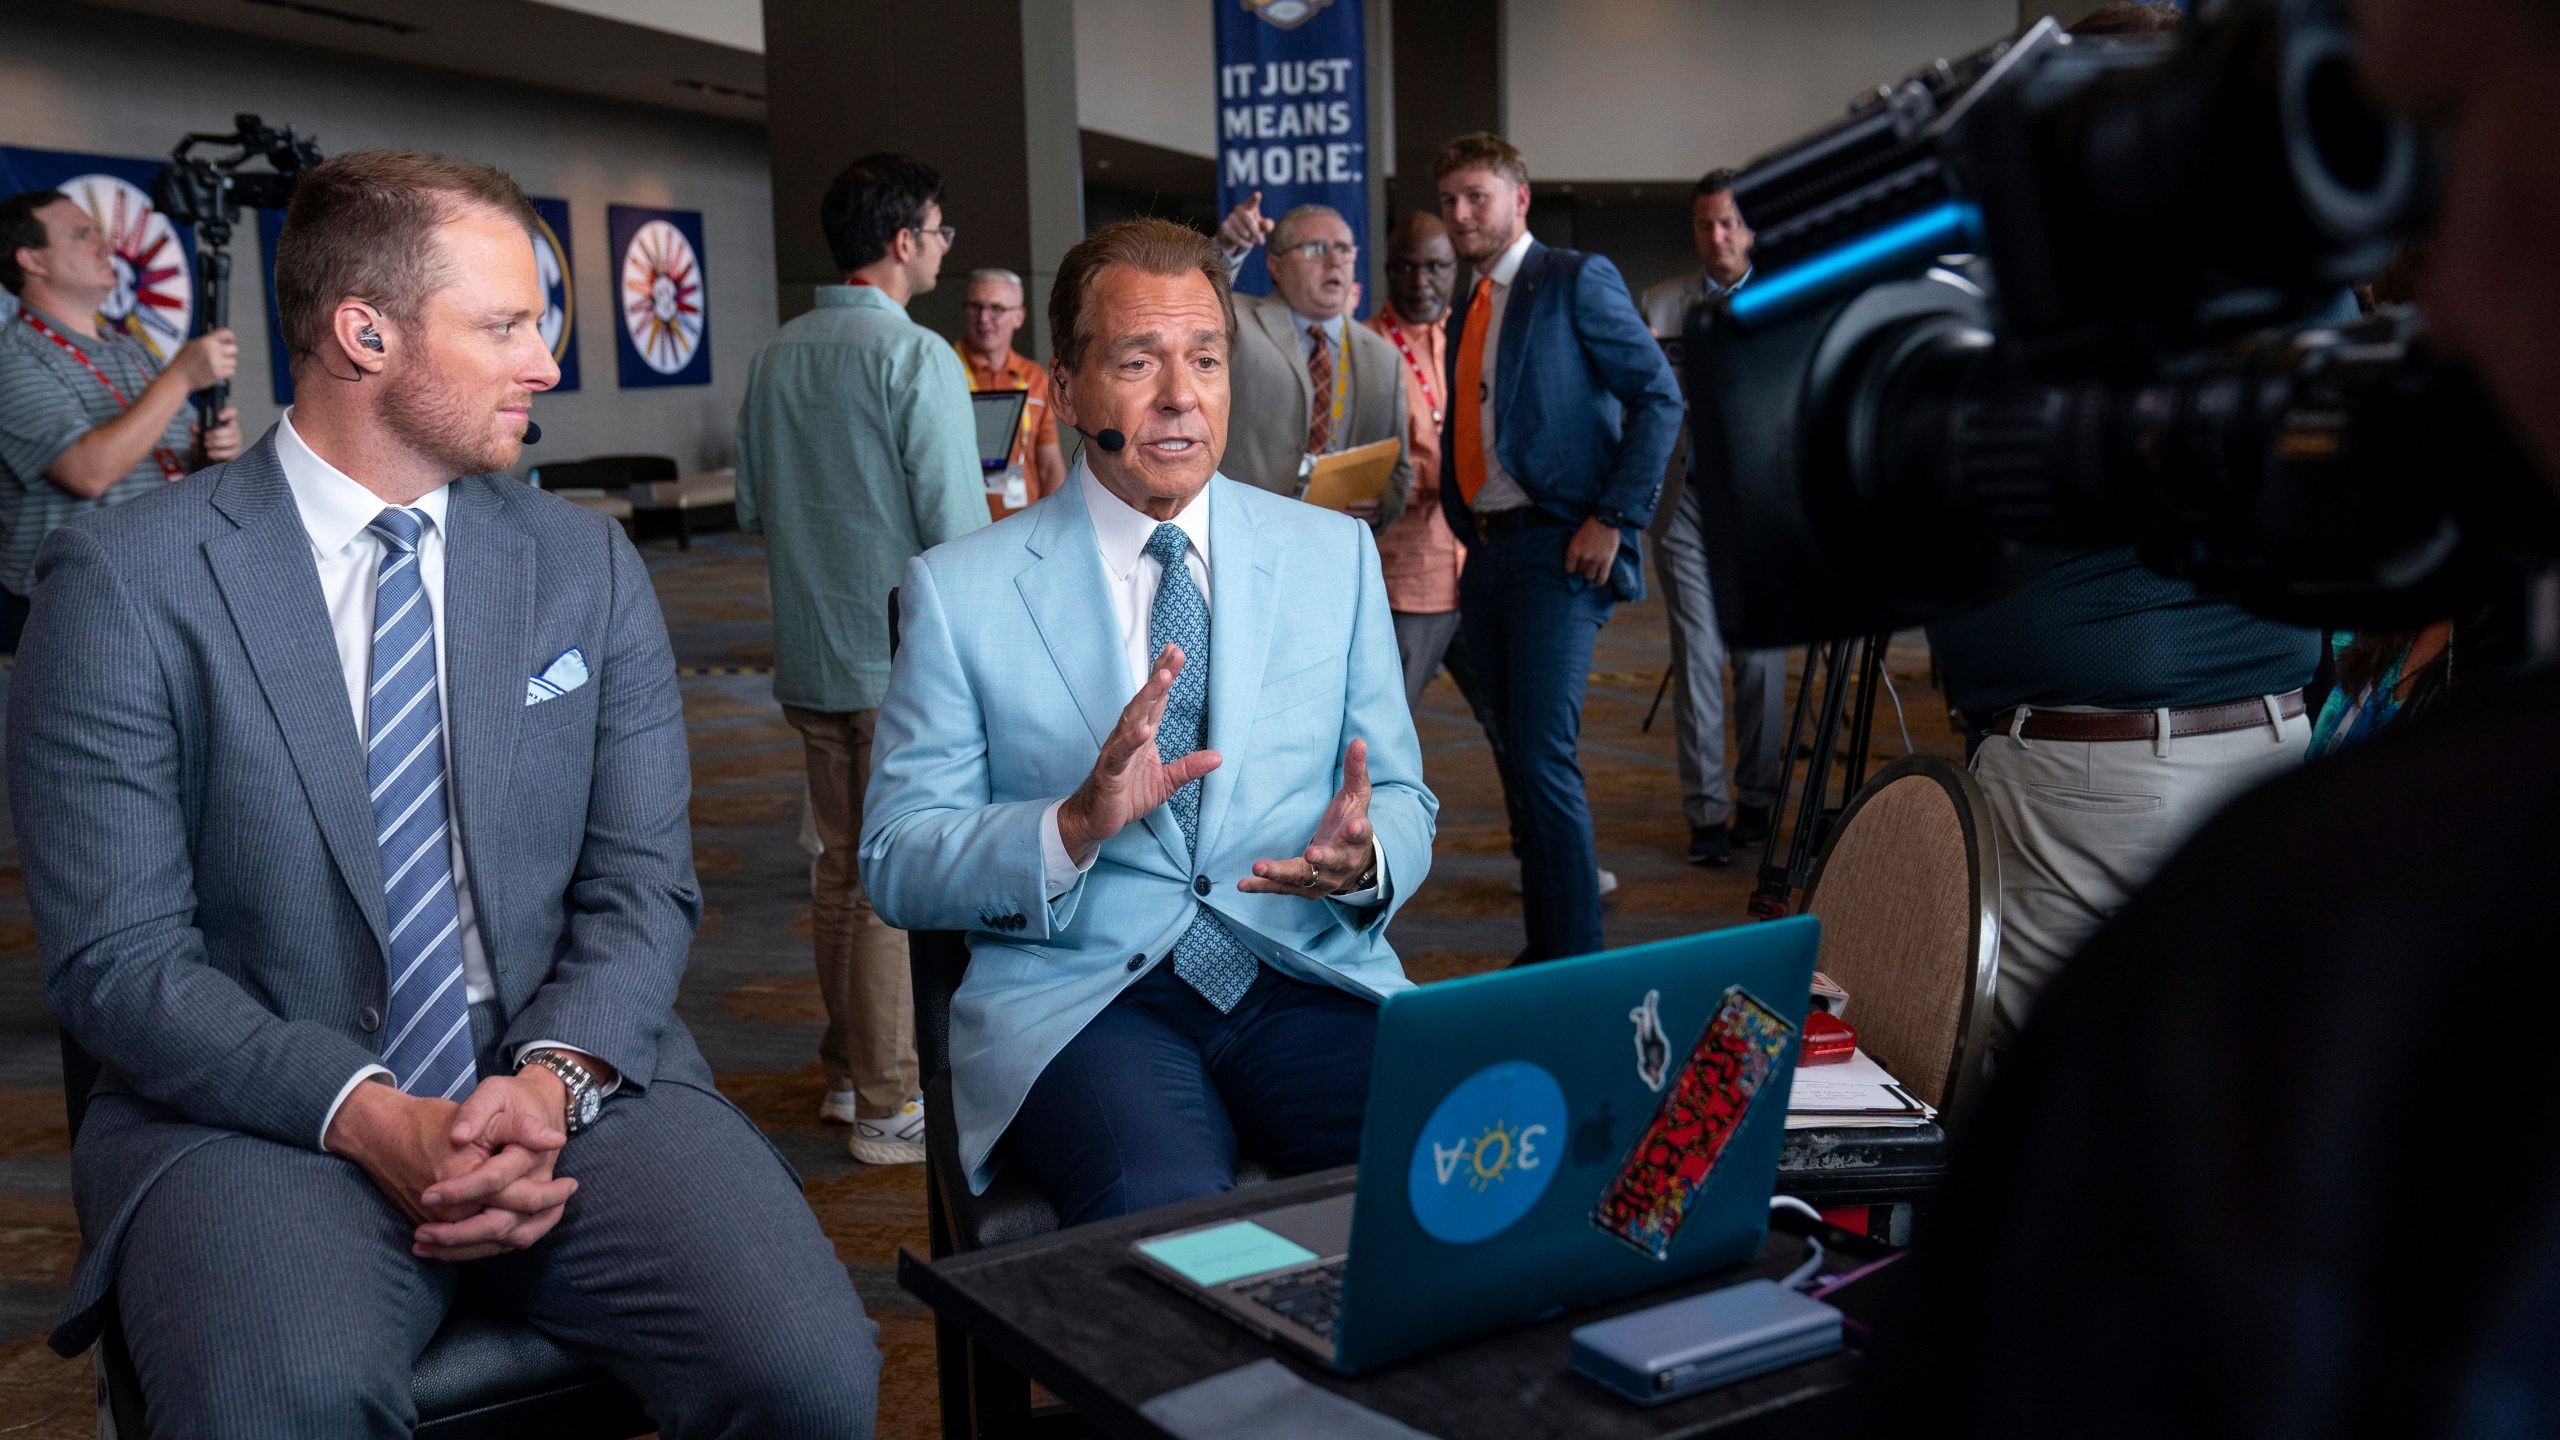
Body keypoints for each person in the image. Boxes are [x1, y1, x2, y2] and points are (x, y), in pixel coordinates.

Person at [9, 148, 877, 1436]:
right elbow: (119, 959)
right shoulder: (128, 582)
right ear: (364, 332)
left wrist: (550, 1083)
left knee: (809, 1367)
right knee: (277, 1405)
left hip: (569, 1082)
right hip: (262, 1109)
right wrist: (363, 1112)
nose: (542, 362)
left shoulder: (582, 564)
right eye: (507, 324)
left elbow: (641, 884)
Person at [1871, 0, 2560, 1431]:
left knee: (2121, 1164)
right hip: (2243, 745)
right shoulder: (2269, 275)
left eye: (2458, 139)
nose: (2445, 305)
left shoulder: (2094, 299)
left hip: (2105, 768)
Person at [860, 218, 1436, 1225]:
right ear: (1070, 388)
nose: (1181, 396)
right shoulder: (961, 592)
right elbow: (898, 857)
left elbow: (1401, 793)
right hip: (1088, 1004)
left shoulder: (1329, 559)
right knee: (1164, 1219)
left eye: (1205, 360)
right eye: (1139, 361)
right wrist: (1070, 825)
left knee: (1451, 1163)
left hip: (1301, 967)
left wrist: (1371, 855)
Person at [1921, 0, 2319, 1044]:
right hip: (2259, 743)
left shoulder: (2081, 280)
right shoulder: (2287, 260)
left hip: (2097, 777)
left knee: (2057, 1130)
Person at [735, 151, 984, 1164]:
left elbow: (751, 506)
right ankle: (888, 1103)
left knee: (839, 871)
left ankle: (847, 1073)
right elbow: (956, 530)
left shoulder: (777, 354)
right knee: (887, 886)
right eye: (938, 229)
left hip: (810, 650)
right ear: (900, 244)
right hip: (899, 661)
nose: (945, 245)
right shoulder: (917, 358)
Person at [1433, 132, 1683, 963]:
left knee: (1543, 761)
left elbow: (1658, 395)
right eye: (1450, 201)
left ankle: (1575, 963)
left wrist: (1614, 516)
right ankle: (1548, 952)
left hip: (1562, 548)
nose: (1462, 214)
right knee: (1518, 764)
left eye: (1478, 196)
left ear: (1519, 199)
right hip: (1490, 553)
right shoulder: (1471, 305)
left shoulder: (1574, 279)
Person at [0, 186, 242, 650]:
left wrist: (210, 449)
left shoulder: (130, 348)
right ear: (32, 260)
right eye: (82, 235)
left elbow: (167, 450)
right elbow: (88, 473)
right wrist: (179, 380)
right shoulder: (13, 357)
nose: (105, 246)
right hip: (73, 609)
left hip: (163, 592)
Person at [1641, 168, 1787, 867]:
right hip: (1686, 502)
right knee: (1697, 653)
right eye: (1704, 225)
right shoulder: (1662, 303)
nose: (1717, 237)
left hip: (1761, 502)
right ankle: (1706, 813)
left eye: (1728, 223)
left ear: (1750, 227)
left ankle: (1759, 799)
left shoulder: (1791, 294)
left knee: (1760, 657)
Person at [1212, 194, 1412, 522]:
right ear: (1275, 265)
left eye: (1344, 249)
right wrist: (1226, 249)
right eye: (1316, 249)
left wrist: (1384, 504)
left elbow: (1400, 471)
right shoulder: (1237, 320)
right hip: (1245, 527)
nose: (1334, 262)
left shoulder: (1383, 357)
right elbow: (1195, 296)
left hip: (1334, 540)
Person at [954, 266, 1065, 521]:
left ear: (1019, 317)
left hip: (1023, 524)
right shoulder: (945, 370)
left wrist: (1053, 526)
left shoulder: (1034, 377)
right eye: (975, 306)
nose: (983, 318)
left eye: (997, 309)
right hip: (963, 526)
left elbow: (1049, 465)